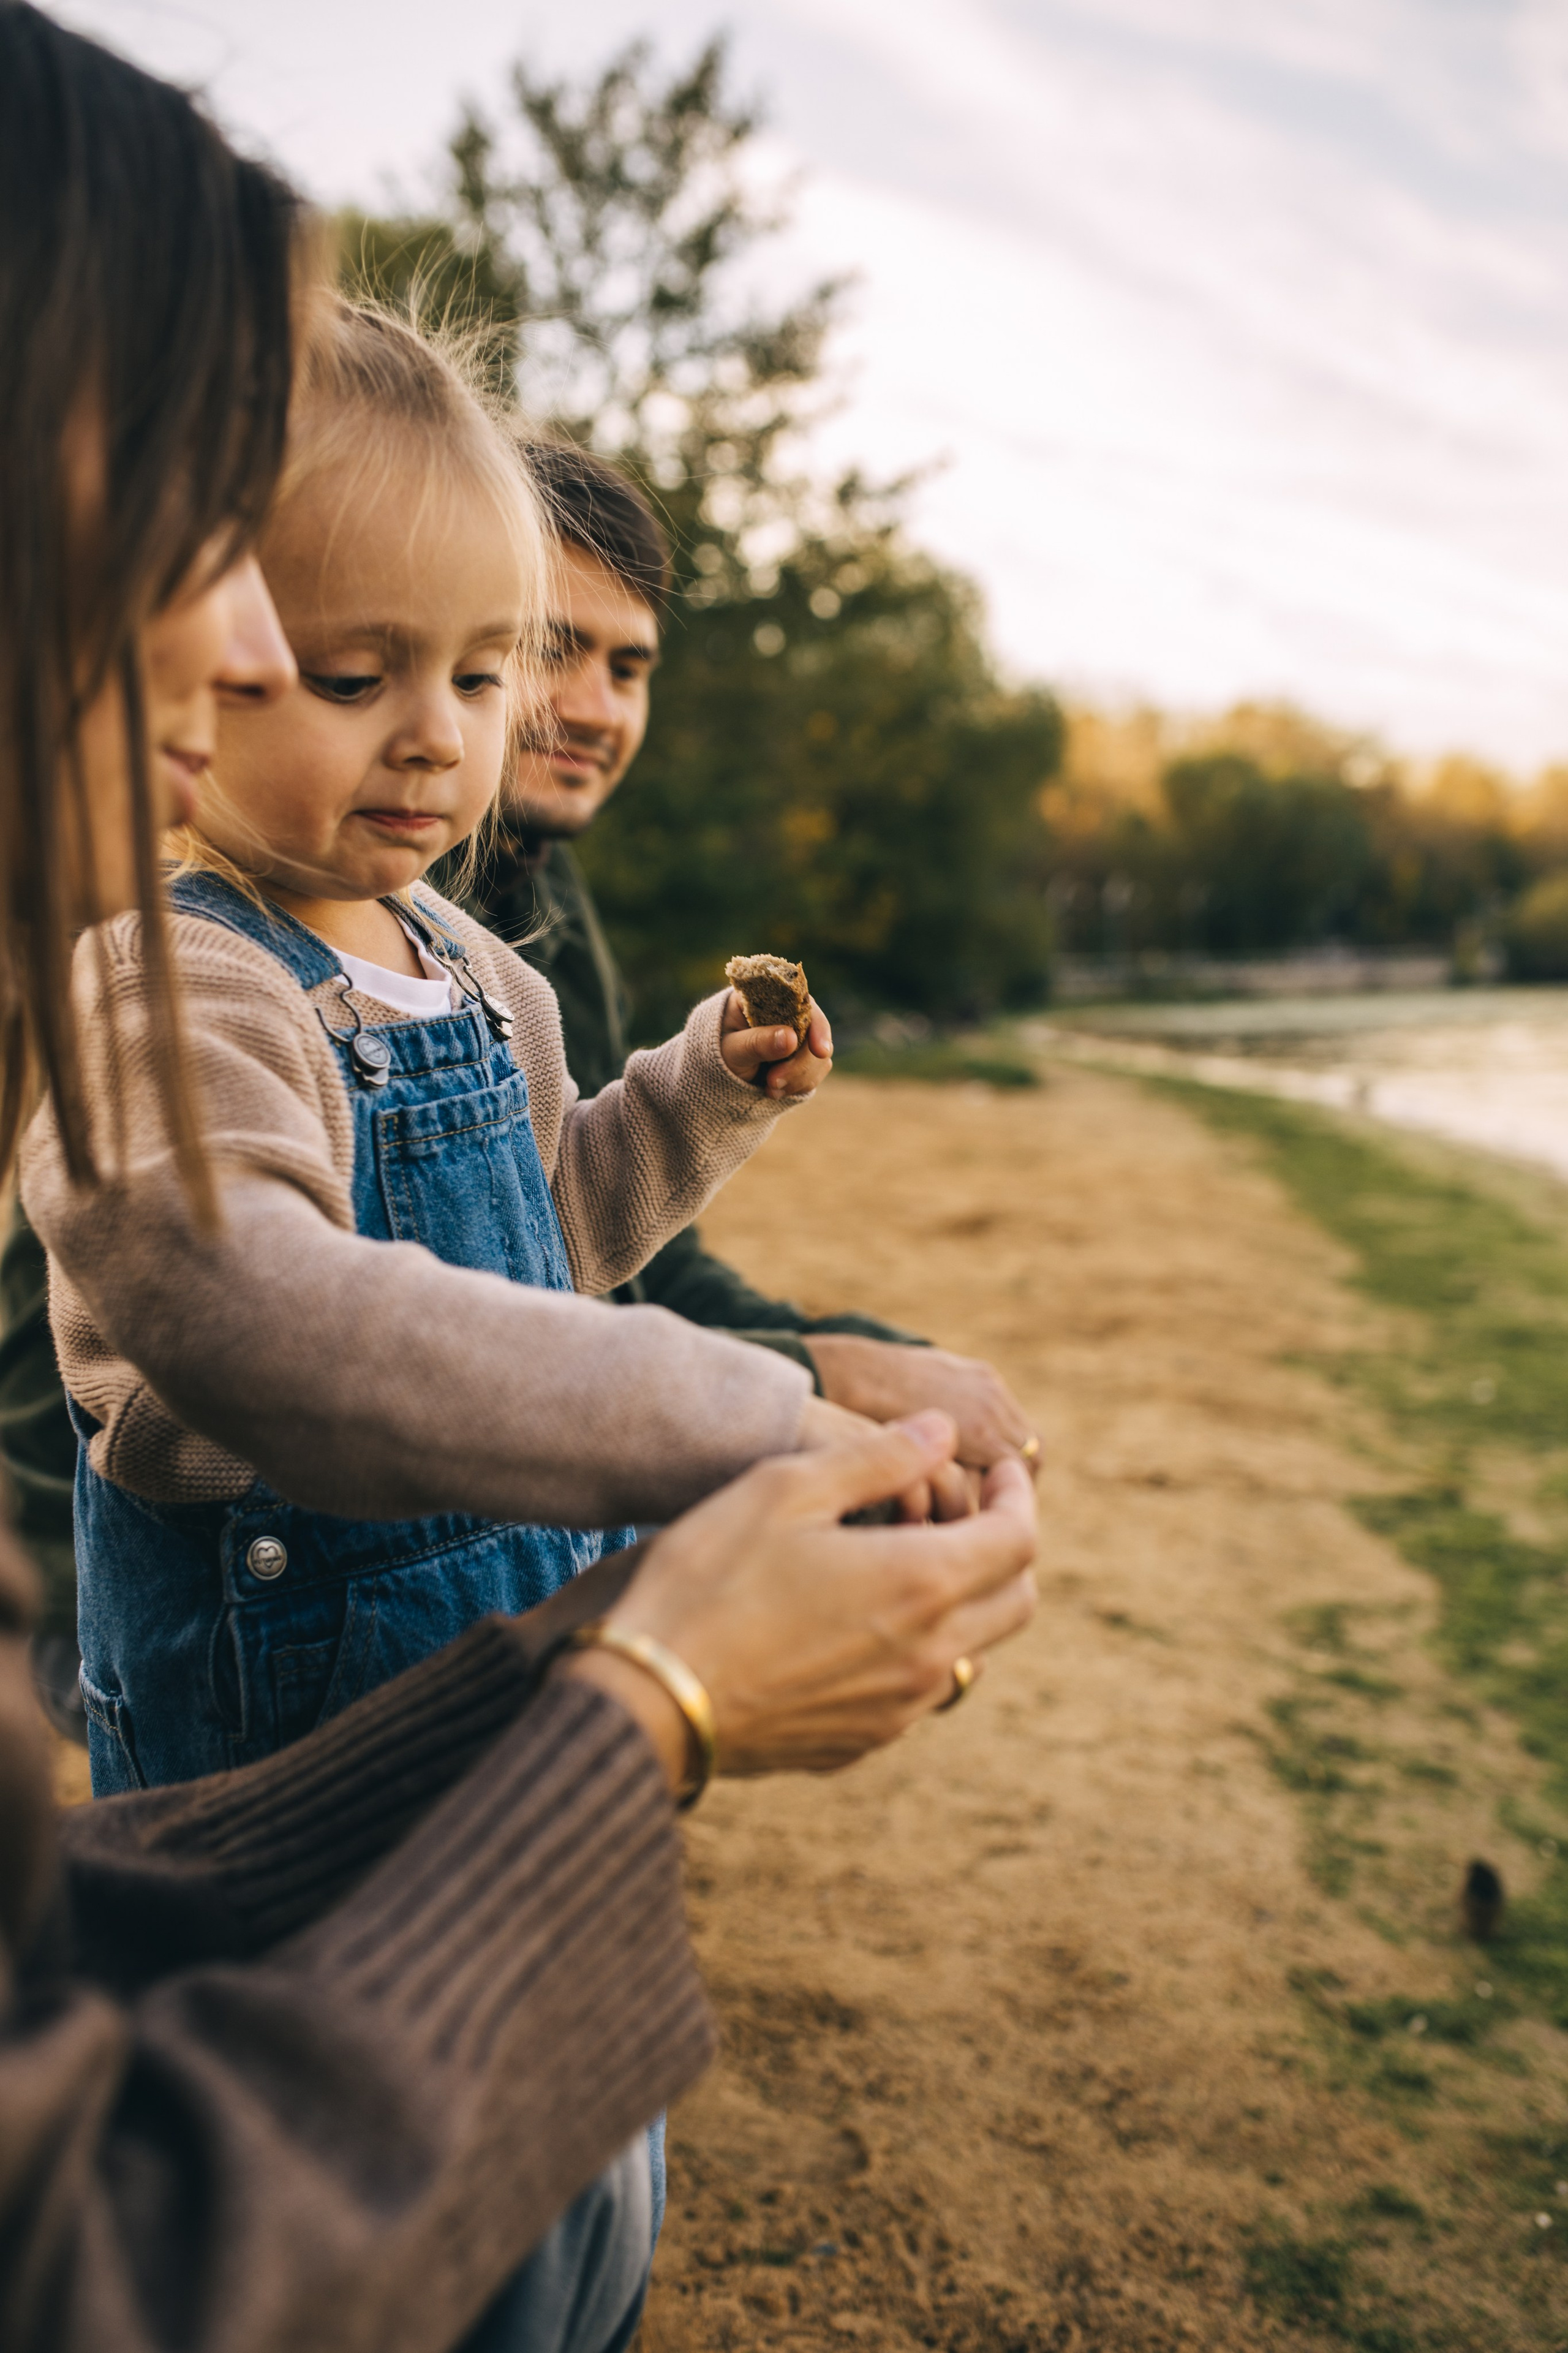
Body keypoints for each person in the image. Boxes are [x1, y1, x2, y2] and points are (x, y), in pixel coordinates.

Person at [0, 9, 1039, 2349]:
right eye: (359, 668)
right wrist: (764, 1416)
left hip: (513, 1710)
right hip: (269, 1767)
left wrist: (695, 1104)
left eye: (486, 676)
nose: (444, 735)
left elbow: (539, 1245)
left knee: (569, 2206)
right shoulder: (169, 979)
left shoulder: (476, 957)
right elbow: (272, 1315)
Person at [466, 440, 1039, 1462]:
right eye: (555, 648)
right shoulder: (370, 913)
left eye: (629, 667)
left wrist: (870, 1351)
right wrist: (825, 1378)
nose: (599, 708)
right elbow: (489, 1321)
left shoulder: (544, 880)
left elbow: (620, 1252)